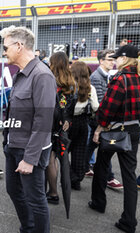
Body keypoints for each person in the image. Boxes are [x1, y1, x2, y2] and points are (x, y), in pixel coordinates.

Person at [0, 26, 56, 233]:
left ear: (19, 46)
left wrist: (30, 159)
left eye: (6, 47)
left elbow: (43, 122)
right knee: (14, 191)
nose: (4, 52)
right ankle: (28, 227)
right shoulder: (21, 75)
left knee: (35, 200)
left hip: (29, 151)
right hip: (13, 146)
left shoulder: (42, 75)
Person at [89, 44, 140, 233]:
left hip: (113, 130)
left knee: (101, 165)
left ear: (124, 59)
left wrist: (100, 127)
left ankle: (98, 202)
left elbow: (107, 109)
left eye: (117, 58)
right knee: (129, 176)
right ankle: (129, 221)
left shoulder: (119, 79)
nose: (114, 61)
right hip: (132, 131)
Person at [87, 49, 124, 190]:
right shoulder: (97, 77)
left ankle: (81, 168)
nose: (113, 62)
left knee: (92, 147)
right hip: (98, 119)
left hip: (100, 119)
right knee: (104, 148)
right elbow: (101, 103)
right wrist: (104, 124)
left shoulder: (105, 75)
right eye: (109, 59)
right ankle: (109, 177)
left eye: (113, 59)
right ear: (101, 61)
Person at [46, 52, 76, 203]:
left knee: (50, 158)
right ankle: (52, 191)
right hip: (64, 125)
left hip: (51, 124)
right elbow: (71, 105)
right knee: (56, 158)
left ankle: (53, 192)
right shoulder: (71, 82)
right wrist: (68, 120)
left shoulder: (50, 80)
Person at [69, 61, 98, 190]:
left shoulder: (69, 86)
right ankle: (76, 180)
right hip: (83, 122)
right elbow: (96, 107)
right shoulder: (90, 88)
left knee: (62, 152)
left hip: (68, 122)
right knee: (79, 152)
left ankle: (64, 177)